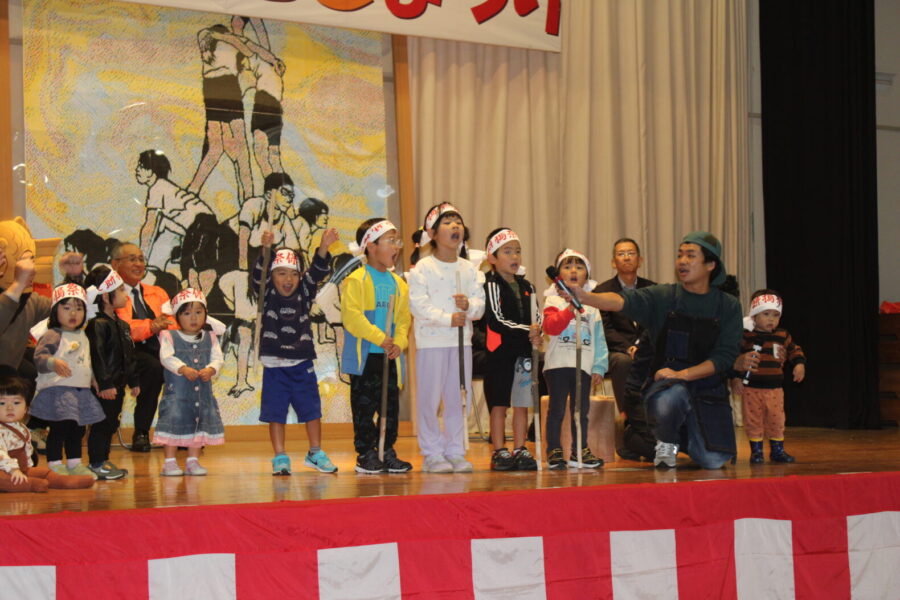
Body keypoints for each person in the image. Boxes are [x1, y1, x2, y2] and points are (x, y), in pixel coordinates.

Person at [572, 231, 742, 469]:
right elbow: (621, 301)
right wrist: (585, 297)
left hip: (707, 392)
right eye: (680, 255)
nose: (682, 261)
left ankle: (681, 438)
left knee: (713, 461)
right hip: (668, 388)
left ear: (711, 265)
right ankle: (665, 441)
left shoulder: (728, 306)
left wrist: (683, 374)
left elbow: (724, 357)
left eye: (690, 255)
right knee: (669, 398)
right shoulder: (664, 295)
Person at [407, 203, 485, 473]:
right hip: (431, 342)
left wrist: (468, 306)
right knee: (429, 399)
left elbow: (480, 305)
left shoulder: (469, 269)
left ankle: (455, 450)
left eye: (458, 222)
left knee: (457, 397)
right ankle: (432, 452)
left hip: (461, 342)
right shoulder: (423, 268)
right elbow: (418, 305)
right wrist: (447, 318)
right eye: (447, 222)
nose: (455, 226)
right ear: (432, 233)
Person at [256, 226, 340, 474]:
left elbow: (316, 272)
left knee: (312, 410)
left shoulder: (304, 291)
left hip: (302, 363)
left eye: (293, 274)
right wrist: (266, 250)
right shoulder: (267, 294)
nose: (288, 279)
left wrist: (324, 246)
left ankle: (315, 452)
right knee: (275, 413)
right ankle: (280, 456)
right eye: (281, 273)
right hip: (274, 366)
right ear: (272, 276)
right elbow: (259, 276)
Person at [340, 218, 412, 473]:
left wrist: (399, 343)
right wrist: (379, 337)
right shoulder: (357, 280)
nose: (396, 247)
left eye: (397, 241)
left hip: (389, 357)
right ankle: (366, 452)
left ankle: (386, 449)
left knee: (389, 407)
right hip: (365, 357)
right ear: (371, 246)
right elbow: (352, 317)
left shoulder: (399, 284)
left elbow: (403, 320)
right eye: (390, 241)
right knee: (364, 407)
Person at [28, 284, 105, 479]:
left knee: (77, 429)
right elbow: (39, 357)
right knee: (60, 428)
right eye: (67, 307)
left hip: (80, 391)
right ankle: (54, 463)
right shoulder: (53, 334)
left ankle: (74, 462)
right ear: (56, 310)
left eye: (79, 308)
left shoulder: (83, 336)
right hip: (59, 391)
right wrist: (52, 362)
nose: (73, 313)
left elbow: (85, 361)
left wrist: (93, 378)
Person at [480, 228, 542, 471]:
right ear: (492, 258)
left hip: (523, 354)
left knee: (521, 403)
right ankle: (499, 449)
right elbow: (496, 319)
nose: (514, 256)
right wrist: (528, 330)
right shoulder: (491, 284)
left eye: (517, 251)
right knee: (499, 403)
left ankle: (520, 447)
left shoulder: (528, 286)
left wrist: (538, 330)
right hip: (500, 354)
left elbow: (537, 315)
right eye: (507, 251)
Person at [542, 249, 607, 469]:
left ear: (586, 275)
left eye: (579, 267)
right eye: (567, 266)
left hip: (583, 366)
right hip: (558, 365)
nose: (573, 271)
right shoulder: (553, 300)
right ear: (558, 274)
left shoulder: (592, 306)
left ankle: (580, 450)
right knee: (557, 409)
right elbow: (550, 326)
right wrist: (570, 308)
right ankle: (554, 450)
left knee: (581, 411)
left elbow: (599, 339)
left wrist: (599, 366)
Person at [154, 289, 225, 476]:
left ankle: (193, 460)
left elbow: (218, 358)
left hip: (201, 396)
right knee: (173, 424)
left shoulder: (210, 337)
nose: (193, 318)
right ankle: (169, 462)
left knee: (198, 425)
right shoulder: (169, 336)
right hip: (178, 396)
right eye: (187, 313)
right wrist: (182, 368)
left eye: (198, 312)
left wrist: (211, 369)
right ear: (177, 316)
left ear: (205, 314)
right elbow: (166, 358)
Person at [113, 242, 175, 452]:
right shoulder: (112, 294)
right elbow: (123, 329)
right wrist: (151, 326)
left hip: (160, 348)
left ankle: (182, 432)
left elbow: (171, 322)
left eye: (141, 259)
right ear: (115, 264)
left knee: (187, 366)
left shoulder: (157, 292)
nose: (139, 264)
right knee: (153, 368)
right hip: (127, 352)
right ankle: (141, 431)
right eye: (132, 259)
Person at [732, 290, 806, 464]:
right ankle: (756, 452)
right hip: (751, 388)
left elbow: (794, 350)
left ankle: (777, 451)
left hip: (775, 389)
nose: (771, 319)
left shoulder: (782, 335)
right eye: (766, 314)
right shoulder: (746, 336)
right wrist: (735, 378)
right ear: (754, 316)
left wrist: (799, 364)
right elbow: (736, 357)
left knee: (776, 419)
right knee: (753, 420)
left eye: (776, 315)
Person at [83, 266, 139, 480]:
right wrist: (105, 383)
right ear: (106, 297)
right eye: (121, 290)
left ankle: (103, 460)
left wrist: (134, 380)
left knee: (112, 423)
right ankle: (96, 463)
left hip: (118, 385)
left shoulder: (121, 325)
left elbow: (129, 355)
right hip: (106, 388)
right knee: (102, 424)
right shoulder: (97, 325)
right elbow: (96, 356)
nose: (126, 295)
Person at [0, 376, 94, 492]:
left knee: (45, 472)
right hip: (4, 469)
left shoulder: (22, 428)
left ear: (26, 409)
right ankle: (31, 484)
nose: (9, 408)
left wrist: (27, 467)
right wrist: (13, 470)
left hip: (21, 469)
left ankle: (64, 481)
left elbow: (27, 450)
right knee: (4, 479)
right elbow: (1, 454)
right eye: (2, 403)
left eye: (16, 402)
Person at [593, 239, 655, 412]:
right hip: (617, 350)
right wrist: (628, 348)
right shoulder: (602, 291)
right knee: (623, 362)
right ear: (614, 262)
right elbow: (605, 328)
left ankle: (658, 417)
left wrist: (641, 346)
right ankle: (628, 415)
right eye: (621, 254)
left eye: (631, 253)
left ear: (640, 260)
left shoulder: (653, 290)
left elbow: (656, 323)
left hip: (647, 346)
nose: (626, 258)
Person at [134, 150, 214, 277]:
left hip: (199, 225)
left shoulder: (157, 188)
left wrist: (142, 258)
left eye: (142, 166)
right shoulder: (166, 187)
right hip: (205, 224)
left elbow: (149, 226)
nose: (137, 169)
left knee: (189, 270)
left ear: (152, 172)